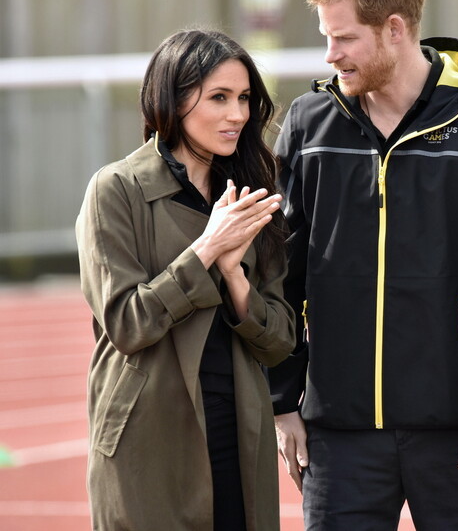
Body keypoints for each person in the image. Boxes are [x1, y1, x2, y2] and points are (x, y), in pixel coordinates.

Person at [268, 0, 458, 531]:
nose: (329, 54)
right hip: (337, 436)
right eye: (326, 36)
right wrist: (281, 400)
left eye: (343, 38)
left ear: (394, 29)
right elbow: (281, 272)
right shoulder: (308, 126)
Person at [76, 28, 295, 531]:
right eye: (219, 97)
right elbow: (127, 324)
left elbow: (280, 341)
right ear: (171, 100)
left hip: (239, 429)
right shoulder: (116, 190)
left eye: (243, 99)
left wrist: (234, 277)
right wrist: (206, 250)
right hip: (148, 435)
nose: (238, 114)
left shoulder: (253, 193)